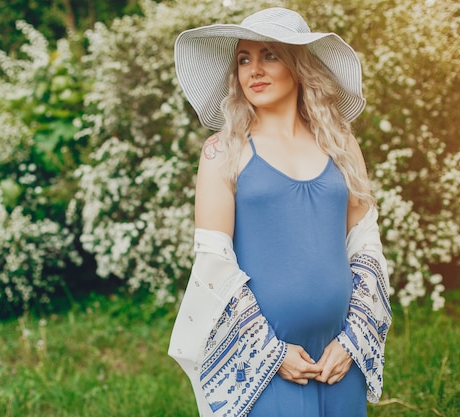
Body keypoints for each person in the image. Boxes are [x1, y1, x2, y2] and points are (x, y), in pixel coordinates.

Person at [168, 8, 392, 417]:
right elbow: (214, 264)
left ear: (298, 65)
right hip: (267, 358)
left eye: (269, 54)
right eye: (244, 59)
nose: (255, 69)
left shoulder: (340, 142)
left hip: (339, 353)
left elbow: (365, 244)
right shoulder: (223, 151)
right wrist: (270, 351)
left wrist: (353, 337)